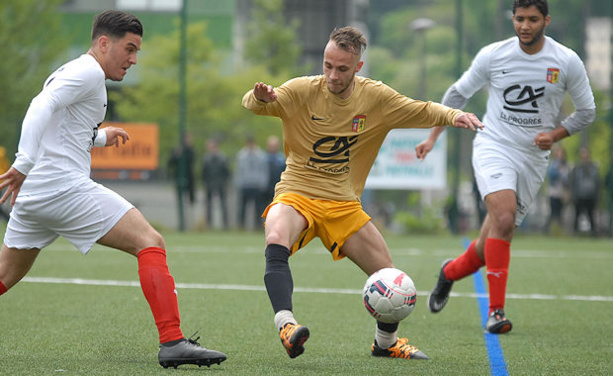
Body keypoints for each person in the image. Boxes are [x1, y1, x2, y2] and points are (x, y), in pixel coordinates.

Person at [0, 10, 226, 369]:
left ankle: (173, 341)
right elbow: (40, 106)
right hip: (61, 187)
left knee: (4, 276)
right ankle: (172, 341)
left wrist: (102, 137)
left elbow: (63, 127)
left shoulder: (79, 72)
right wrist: (22, 162)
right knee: (150, 241)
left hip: (38, 196)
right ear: (104, 43)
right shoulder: (88, 72)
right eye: (130, 49)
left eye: (137, 51)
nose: (134, 59)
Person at [242, 26, 483, 361]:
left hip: (343, 203)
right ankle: (286, 324)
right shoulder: (301, 90)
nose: (332, 75)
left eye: (342, 68)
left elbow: (420, 109)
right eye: (328, 65)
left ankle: (385, 344)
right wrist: (260, 97)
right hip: (297, 192)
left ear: (358, 66)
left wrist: (454, 115)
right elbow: (253, 104)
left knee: (390, 277)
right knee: (276, 235)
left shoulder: (376, 98)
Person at [415, 0, 595, 334]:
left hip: (533, 157)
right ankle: (496, 312)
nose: (525, 26)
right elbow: (457, 95)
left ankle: (450, 272)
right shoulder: (493, 55)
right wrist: (432, 137)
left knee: (497, 235)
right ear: (512, 19)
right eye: (519, 19)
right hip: (493, 144)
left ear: (546, 20)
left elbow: (587, 111)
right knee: (504, 217)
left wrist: (555, 135)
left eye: (532, 19)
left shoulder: (566, 60)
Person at [235, 135, 269, 229]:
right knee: (242, 207)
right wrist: (238, 183)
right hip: (245, 184)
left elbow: (263, 170)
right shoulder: (241, 155)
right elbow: (239, 170)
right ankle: (241, 225)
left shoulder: (260, 155)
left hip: (256, 184)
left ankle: (258, 225)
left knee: (258, 207)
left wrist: (263, 183)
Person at [569, 146, 599, 236]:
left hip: (590, 196)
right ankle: (575, 233)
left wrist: (597, 196)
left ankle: (594, 234)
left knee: (591, 216)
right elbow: (573, 182)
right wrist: (573, 195)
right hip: (579, 196)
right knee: (577, 215)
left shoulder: (593, 168)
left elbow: (597, 182)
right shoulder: (577, 168)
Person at [201, 138, 230, 229]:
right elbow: (204, 172)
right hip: (209, 184)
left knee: (223, 204)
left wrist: (225, 182)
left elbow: (226, 171)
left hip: (220, 183)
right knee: (209, 205)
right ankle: (209, 224)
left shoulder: (222, 158)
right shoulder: (206, 158)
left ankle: (225, 224)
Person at [546, 145, 570, 234]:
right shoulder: (553, 164)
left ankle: (559, 231)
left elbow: (567, 179)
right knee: (553, 212)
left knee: (561, 213)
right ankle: (548, 230)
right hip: (553, 192)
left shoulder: (566, 165)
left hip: (562, 192)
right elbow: (551, 175)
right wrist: (559, 170)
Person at [168, 132, 196, 205]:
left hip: (189, 176)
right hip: (179, 176)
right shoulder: (177, 149)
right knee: (180, 195)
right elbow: (170, 163)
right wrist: (177, 155)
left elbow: (191, 161)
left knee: (191, 196)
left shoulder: (191, 150)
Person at [265, 135, 286, 204]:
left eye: (274, 146)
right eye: (271, 146)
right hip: (266, 189)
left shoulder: (282, 159)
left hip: (279, 188)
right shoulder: (263, 159)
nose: (273, 148)